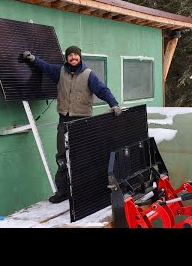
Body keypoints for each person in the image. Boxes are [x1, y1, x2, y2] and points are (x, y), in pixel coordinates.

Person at [22, 45, 122, 203]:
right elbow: (45, 67)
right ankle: (63, 192)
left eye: (76, 55)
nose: (73, 57)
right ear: (67, 57)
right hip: (64, 120)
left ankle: (84, 192)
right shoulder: (60, 72)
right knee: (62, 157)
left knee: (82, 157)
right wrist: (33, 59)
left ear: (80, 57)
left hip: (82, 121)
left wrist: (114, 104)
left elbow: (102, 90)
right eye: (70, 55)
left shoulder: (89, 75)